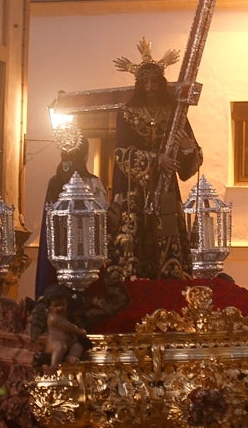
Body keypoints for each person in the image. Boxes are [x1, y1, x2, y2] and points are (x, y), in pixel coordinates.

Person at [108, 39, 202, 282]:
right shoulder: (127, 113)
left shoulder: (174, 114)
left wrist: (188, 149)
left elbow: (191, 152)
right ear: (138, 84)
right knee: (133, 240)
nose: (149, 87)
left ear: (161, 84)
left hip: (165, 190)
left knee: (167, 240)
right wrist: (155, 160)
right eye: (145, 82)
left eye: (154, 82)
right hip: (134, 191)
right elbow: (120, 153)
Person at [35, 122, 108, 298]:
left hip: (57, 258)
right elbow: (102, 220)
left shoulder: (54, 182)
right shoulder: (92, 182)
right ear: (84, 155)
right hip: (85, 258)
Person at [44, 285, 87, 368]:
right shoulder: (54, 318)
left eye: (63, 304)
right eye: (56, 305)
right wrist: (80, 331)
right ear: (49, 307)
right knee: (60, 347)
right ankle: (53, 367)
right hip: (54, 343)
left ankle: (70, 357)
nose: (60, 308)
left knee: (77, 346)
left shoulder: (65, 315)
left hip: (69, 343)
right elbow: (68, 327)